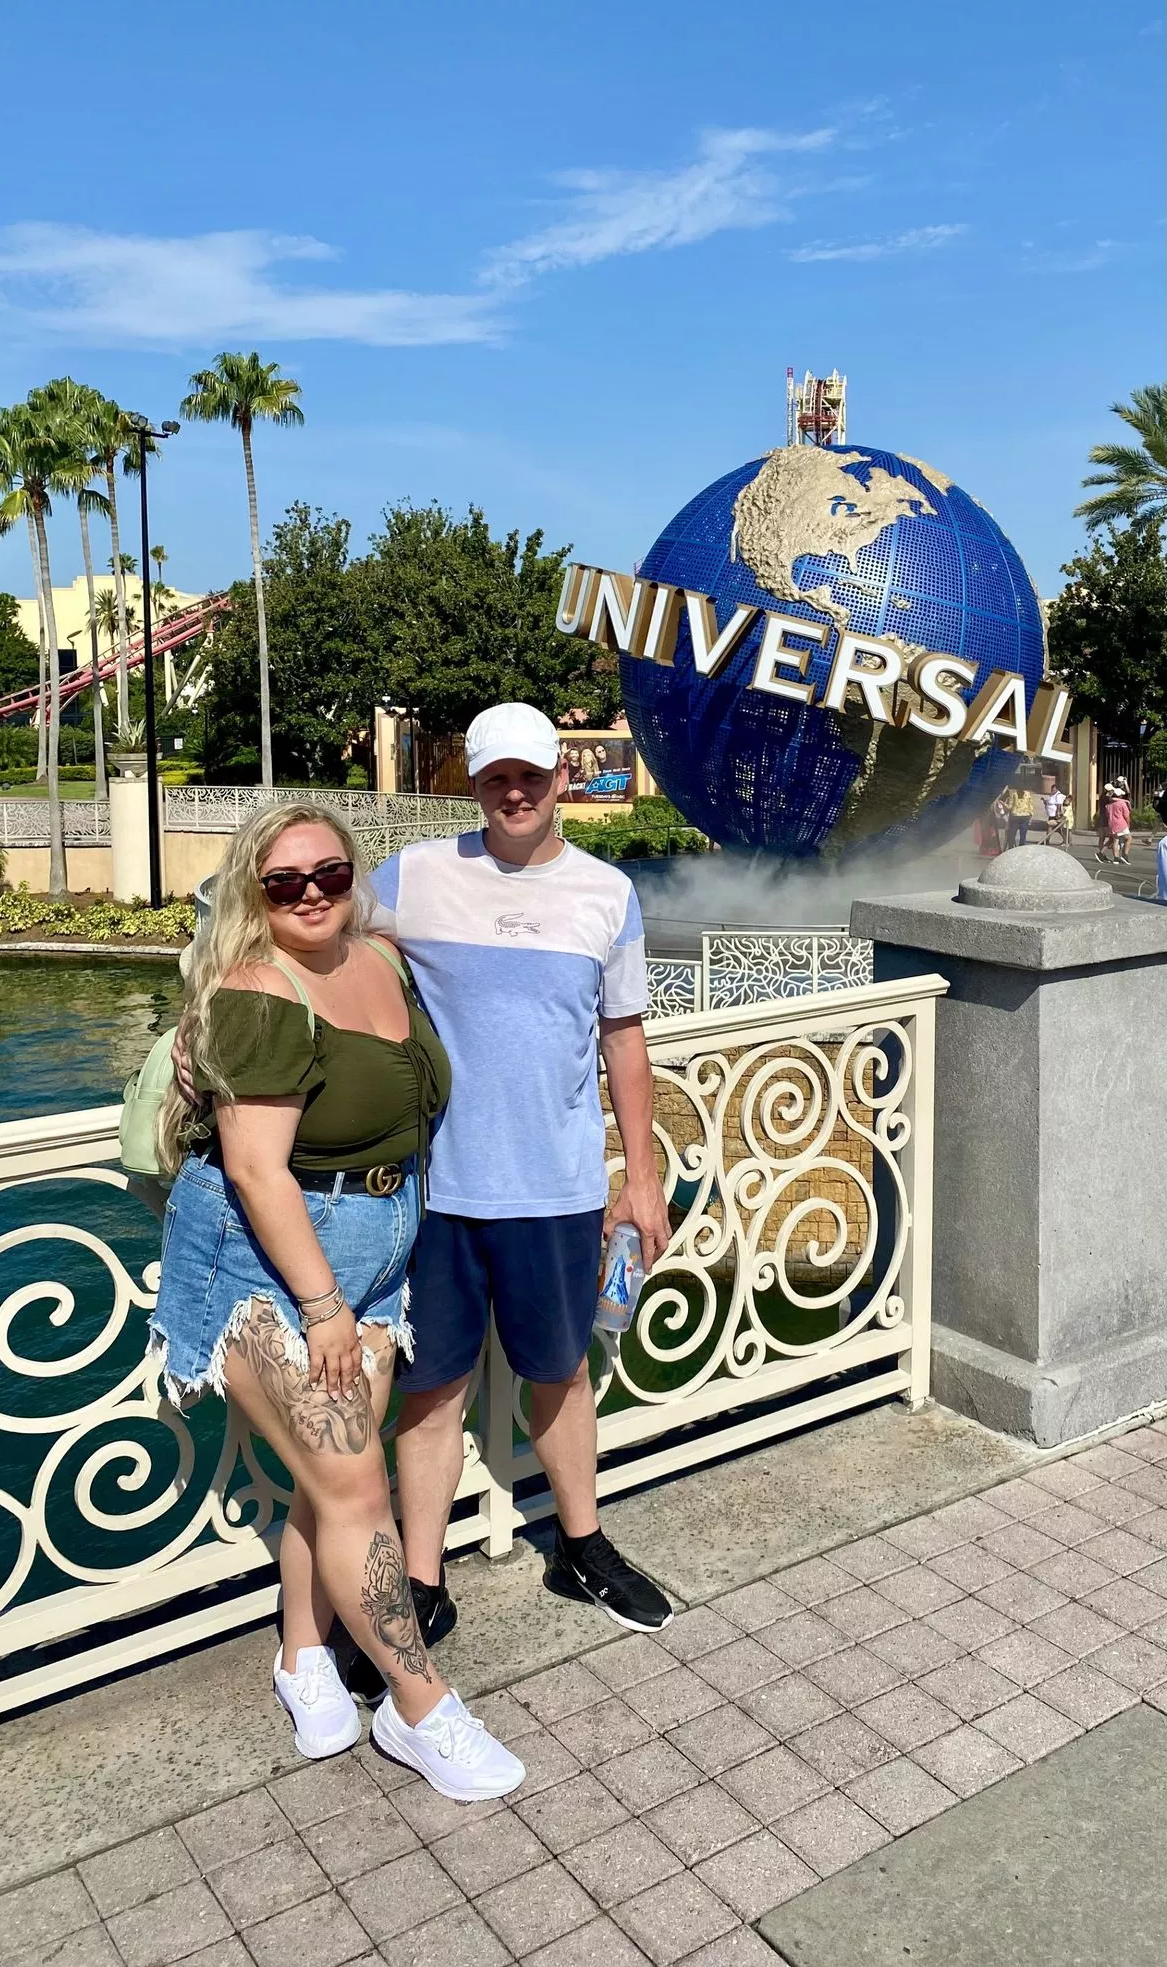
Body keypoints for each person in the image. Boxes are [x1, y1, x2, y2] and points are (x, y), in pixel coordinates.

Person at [152, 802, 522, 1798]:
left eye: (329, 873)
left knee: (333, 1476)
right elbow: (259, 1168)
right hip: (272, 1268)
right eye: (283, 883)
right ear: (252, 894)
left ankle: (300, 1650)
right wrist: (318, 1305)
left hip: (376, 1257)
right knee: (360, 1485)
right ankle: (422, 1707)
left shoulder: (380, 960)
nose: (311, 893)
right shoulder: (258, 989)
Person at [372, 702, 675, 1649]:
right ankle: (421, 1580)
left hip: (557, 1189)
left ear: (560, 781)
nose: (515, 792)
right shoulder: (413, 876)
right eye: (497, 777)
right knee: (429, 1392)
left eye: (531, 776)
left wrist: (642, 1173)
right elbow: (318, 953)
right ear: (473, 783)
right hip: (435, 1192)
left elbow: (624, 1040)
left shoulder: (607, 893)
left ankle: (580, 1543)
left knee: (560, 1371)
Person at [1003, 780, 1036, 848]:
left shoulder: (1014, 794)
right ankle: (1021, 848)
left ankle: (1011, 848)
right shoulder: (1028, 794)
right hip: (1025, 816)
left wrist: (1003, 804)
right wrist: (1031, 816)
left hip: (1015, 816)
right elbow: (1031, 806)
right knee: (1023, 835)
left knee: (1012, 834)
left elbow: (1010, 807)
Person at [1106, 783, 1132, 865]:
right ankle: (1125, 856)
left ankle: (1116, 858)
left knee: (1115, 840)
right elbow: (1126, 815)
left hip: (1112, 824)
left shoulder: (1109, 805)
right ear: (1120, 796)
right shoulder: (1122, 804)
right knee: (1128, 838)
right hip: (1121, 824)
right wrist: (1128, 824)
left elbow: (1107, 815)